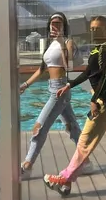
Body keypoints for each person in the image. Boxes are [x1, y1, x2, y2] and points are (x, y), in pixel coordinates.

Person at [43, 15, 106, 196]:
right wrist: (69, 85)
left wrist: (94, 100)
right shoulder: (98, 49)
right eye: (91, 29)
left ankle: (66, 178)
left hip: (103, 100)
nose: (93, 31)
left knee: (85, 139)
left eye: (97, 28)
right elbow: (89, 72)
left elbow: (104, 76)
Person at [19, 12, 94, 179]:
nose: (55, 26)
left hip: (60, 89)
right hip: (53, 88)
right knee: (72, 128)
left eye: (59, 23)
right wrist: (25, 85)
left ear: (64, 25)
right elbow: (41, 69)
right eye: (53, 23)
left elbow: (69, 67)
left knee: (39, 127)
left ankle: (27, 165)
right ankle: (86, 162)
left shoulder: (68, 42)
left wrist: (61, 42)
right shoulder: (49, 45)